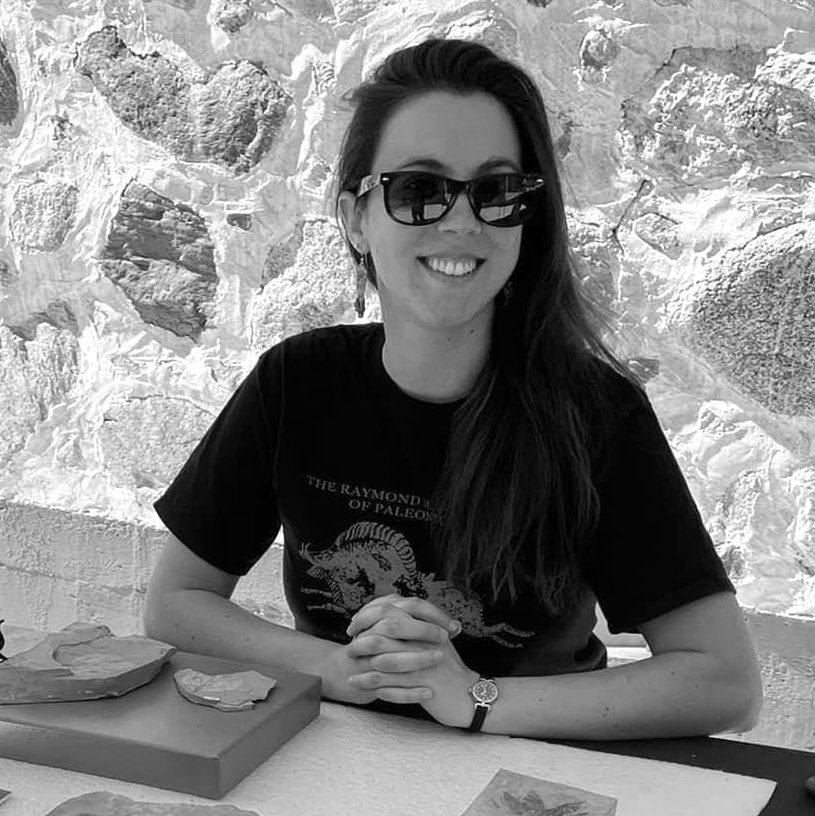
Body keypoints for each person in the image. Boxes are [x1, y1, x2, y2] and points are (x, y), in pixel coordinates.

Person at [144, 37, 763, 739]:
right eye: (418, 190)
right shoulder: (296, 382)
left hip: (530, 766)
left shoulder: (597, 413)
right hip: (334, 756)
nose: (461, 221)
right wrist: (344, 669)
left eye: (496, 192)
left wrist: (473, 698)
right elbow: (176, 603)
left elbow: (725, 682)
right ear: (355, 219)